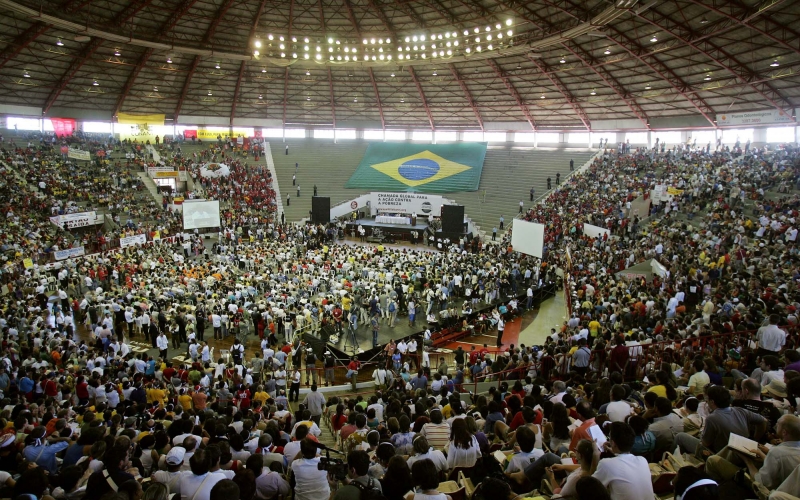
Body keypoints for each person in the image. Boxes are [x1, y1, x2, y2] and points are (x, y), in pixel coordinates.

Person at [705, 414, 800, 487]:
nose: (775, 425)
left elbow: (759, 481)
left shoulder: (776, 453)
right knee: (735, 451)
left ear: (784, 432)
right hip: (781, 483)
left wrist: (747, 461)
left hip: (762, 489)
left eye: (778, 424)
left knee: (712, 460)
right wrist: (762, 454)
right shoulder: (785, 451)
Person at [592, 422, 654, 500]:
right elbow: (625, 460)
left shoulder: (606, 464)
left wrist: (595, 454)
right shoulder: (643, 460)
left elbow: (591, 486)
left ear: (613, 443)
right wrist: (615, 451)